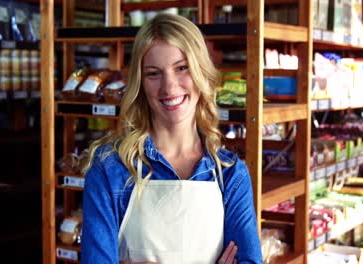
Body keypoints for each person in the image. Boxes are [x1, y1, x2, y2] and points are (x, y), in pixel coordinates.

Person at [81, 13, 263, 264]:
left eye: (182, 68)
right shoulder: (110, 169)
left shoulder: (230, 175)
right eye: (154, 73)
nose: (169, 87)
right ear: (140, 83)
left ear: (201, 71)